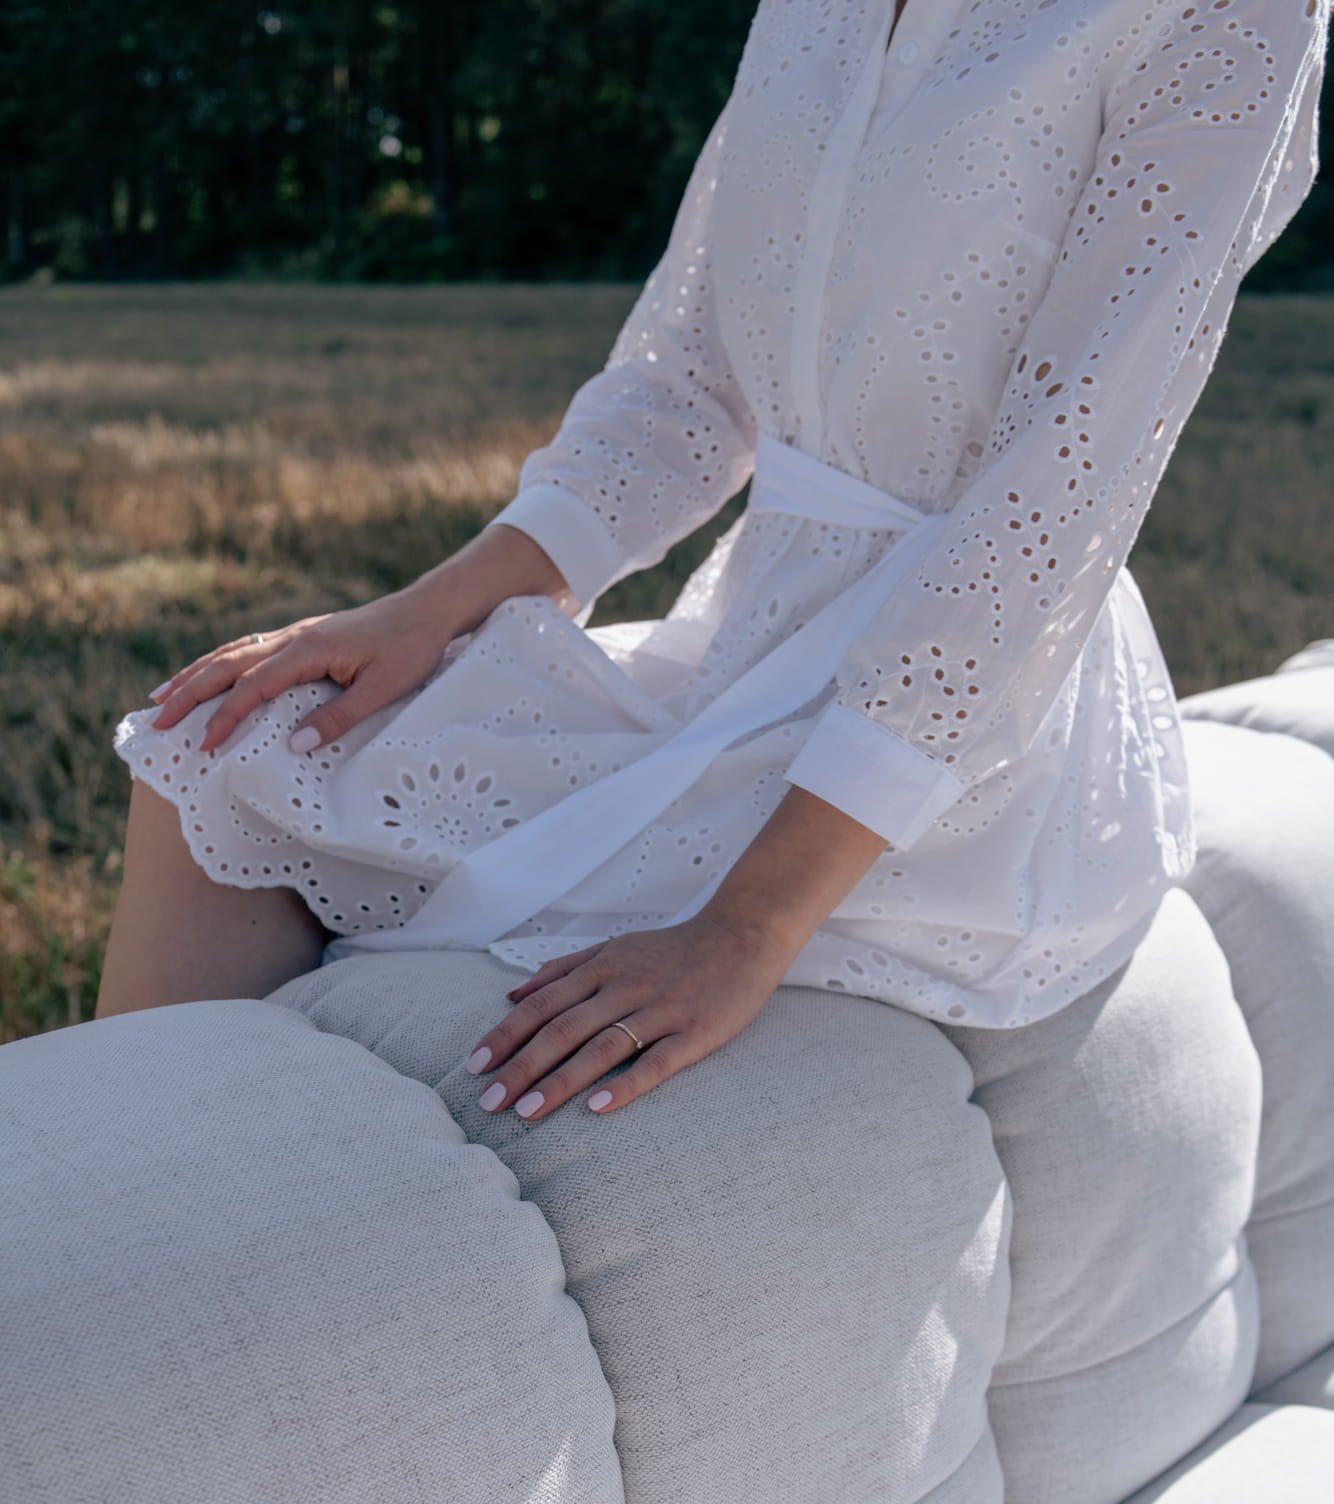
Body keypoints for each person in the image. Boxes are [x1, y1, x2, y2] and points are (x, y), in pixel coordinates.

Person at [98, 0, 1329, 1126]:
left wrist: (748, 922)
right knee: (218, 744)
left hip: (968, 736)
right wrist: (427, 611)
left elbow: (1057, 496)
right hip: (737, 650)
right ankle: (110, 1241)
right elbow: (684, 387)